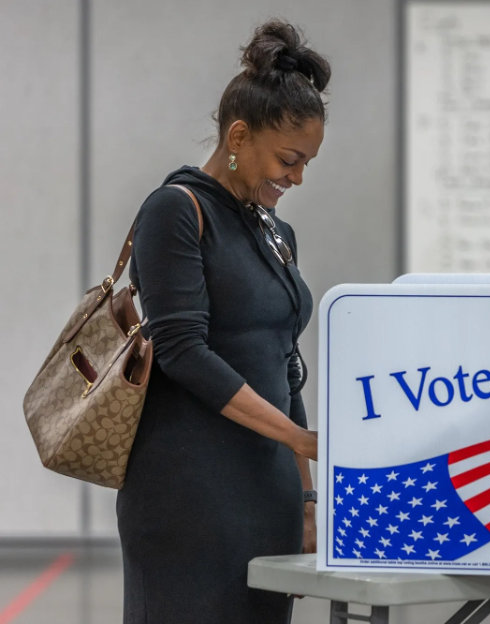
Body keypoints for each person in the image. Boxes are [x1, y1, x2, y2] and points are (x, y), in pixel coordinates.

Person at [117, 19, 328, 624]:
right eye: (290, 160)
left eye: (308, 163)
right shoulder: (174, 211)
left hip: (269, 494)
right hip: (190, 495)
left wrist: (305, 494)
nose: (297, 178)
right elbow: (182, 350)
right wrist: (295, 437)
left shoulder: (276, 233)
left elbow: (287, 369)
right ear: (239, 134)